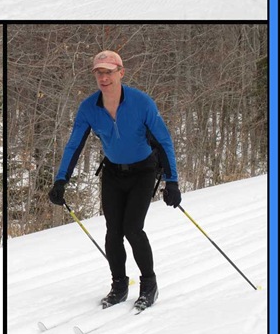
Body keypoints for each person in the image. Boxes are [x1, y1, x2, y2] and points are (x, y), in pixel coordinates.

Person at [48, 50, 181, 313]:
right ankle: (119, 286)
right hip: (112, 173)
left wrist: (172, 181)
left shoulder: (141, 103)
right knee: (113, 232)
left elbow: (163, 141)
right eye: (99, 72)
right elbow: (74, 144)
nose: (104, 77)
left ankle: (149, 285)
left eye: (109, 72)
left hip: (143, 171)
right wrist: (61, 179)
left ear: (121, 72)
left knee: (133, 229)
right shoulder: (89, 107)